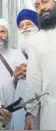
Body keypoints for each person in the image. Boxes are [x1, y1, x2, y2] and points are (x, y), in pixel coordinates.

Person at [0, 18, 27, 129]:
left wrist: (18, 76)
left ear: (7, 35)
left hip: (15, 103)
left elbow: (27, 76)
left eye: (2, 32)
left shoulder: (17, 53)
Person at [24, 0, 56, 130]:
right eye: (37, 6)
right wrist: (30, 113)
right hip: (52, 113)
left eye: (44, 1)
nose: (41, 8)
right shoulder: (35, 41)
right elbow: (34, 80)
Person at [13, 9, 40, 130]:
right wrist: (14, 77)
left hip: (41, 104)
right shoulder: (17, 53)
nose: (25, 28)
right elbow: (12, 84)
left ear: (37, 26)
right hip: (21, 101)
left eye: (28, 24)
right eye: (21, 26)